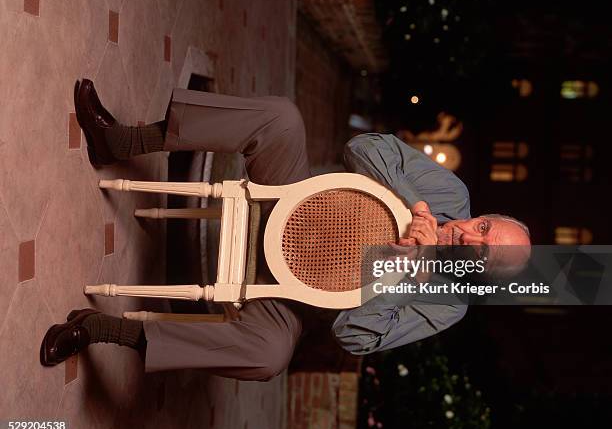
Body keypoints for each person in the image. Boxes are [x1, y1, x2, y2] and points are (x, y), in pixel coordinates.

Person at [40, 80, 531, 379]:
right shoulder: (452, 196)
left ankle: (99, 328)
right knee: (282, 117)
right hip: (287, 197)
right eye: (483, 227)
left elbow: (354, 338)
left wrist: (411, 274)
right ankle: (118, 140)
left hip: (287, 290)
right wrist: (413, 202)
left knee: (269, 355)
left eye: (480, 253)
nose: (467, 237)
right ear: (482, 215)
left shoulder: (446, 305)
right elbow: (365, 147)